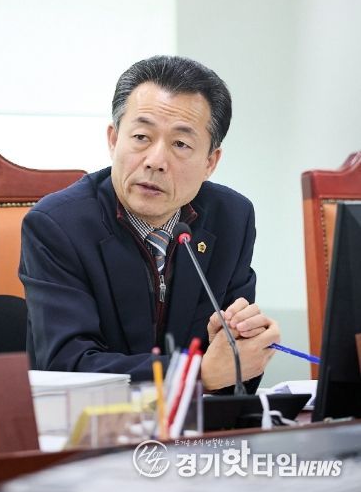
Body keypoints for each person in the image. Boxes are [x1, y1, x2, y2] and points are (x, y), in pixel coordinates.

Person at [19, 55, 280, 392]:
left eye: (180, 144)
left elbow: (231, 378)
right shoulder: (57, 225)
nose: (155, 161)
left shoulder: (231, 218)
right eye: (141, 137)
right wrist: (193, 374)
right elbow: (68, 367)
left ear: (210, 162)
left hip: (196, 424)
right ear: (114, 140)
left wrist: (245, 346)